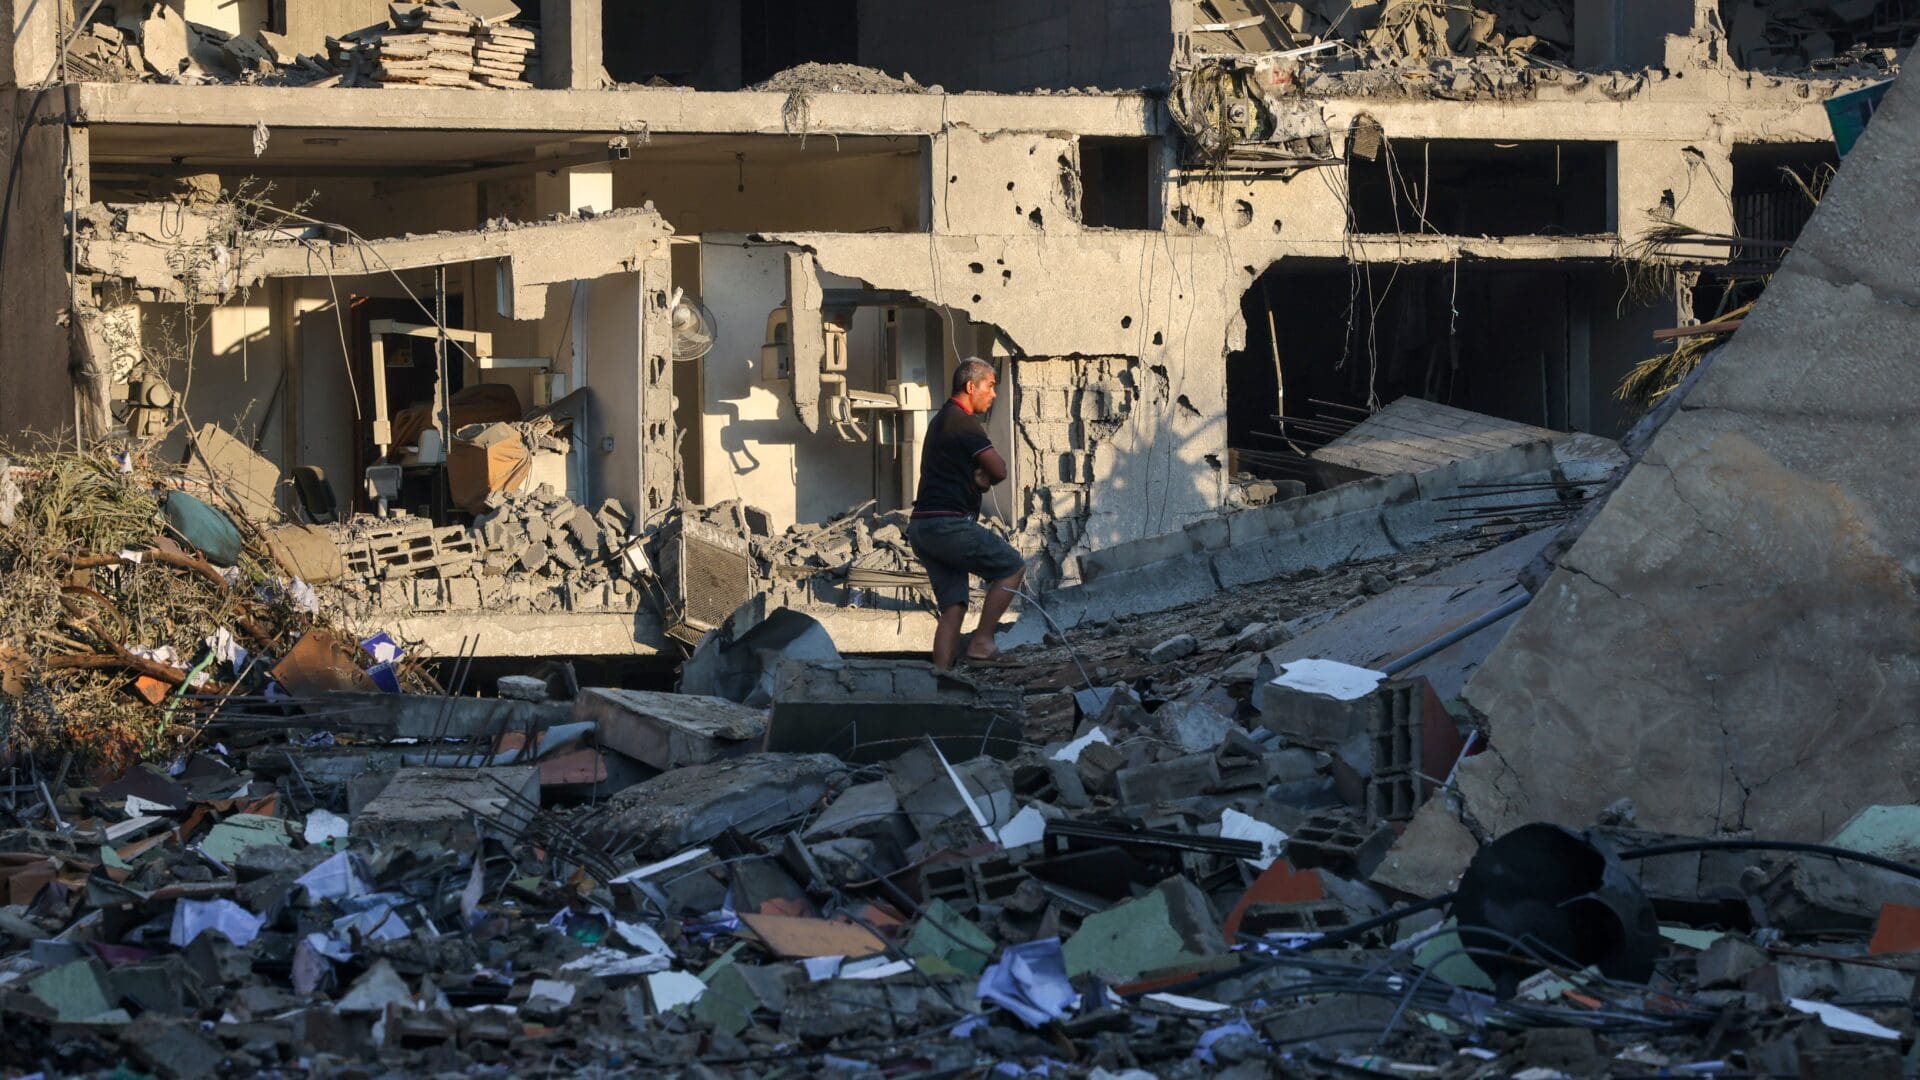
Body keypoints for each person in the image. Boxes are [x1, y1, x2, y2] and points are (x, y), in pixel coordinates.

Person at [907, 357, 1028, 668]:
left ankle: (941, 680)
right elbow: (999, 468)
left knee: (954, 607)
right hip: (947, 525)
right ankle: (983, 642)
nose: (994, 394)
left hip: (923, 528)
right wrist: (988, 477)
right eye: (990, 386)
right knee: (1012, 567)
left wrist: (980, 480)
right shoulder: (963, 422)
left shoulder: (942, 421)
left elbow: (979, 476)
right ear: (970, 386)